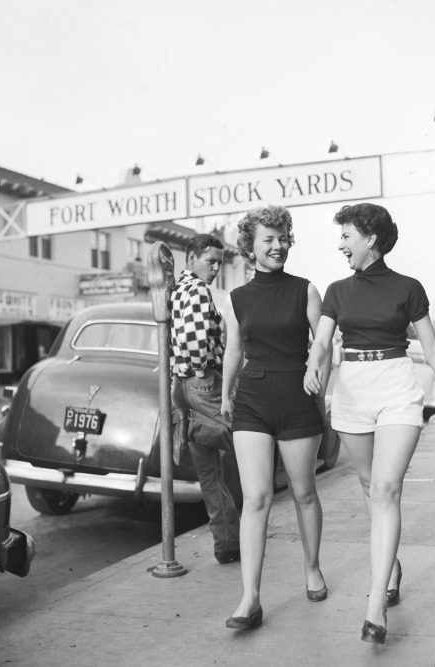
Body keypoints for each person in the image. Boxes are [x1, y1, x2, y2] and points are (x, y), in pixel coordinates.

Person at [304, 202, 435, 644]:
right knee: (368, 486)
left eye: (346, 235)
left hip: (397, 387)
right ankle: (391, 564)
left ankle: (375, 602)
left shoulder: (409, 288)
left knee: (385, 488)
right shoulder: (337, 290)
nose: (341, 243)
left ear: (370, 238)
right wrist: (313, 365)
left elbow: (432, 348)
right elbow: (321, 342)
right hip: (354, 390)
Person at [221, 205, 330, 631]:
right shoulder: (236, 298)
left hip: (297, 397)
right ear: (251, 246)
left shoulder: (306, 290)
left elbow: (323, 343)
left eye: (282, 237)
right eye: (268, 239)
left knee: (304, 493)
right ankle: (250, 597)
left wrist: (319, 374)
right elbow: (234, 350)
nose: (278, 245)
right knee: (257, 498)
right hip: (251, 399)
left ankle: (312, 567)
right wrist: (226, 394)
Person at [170, 234, 240, 565]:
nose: (214, 268)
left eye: (218, 263)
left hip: (183, 386)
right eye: (209, 261)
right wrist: (204, 372)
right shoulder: (197, 289)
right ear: (192, 259)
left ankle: (227, 544)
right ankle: (236, 538)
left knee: (210, 474)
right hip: (201, 382)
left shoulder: (178, 289)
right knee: (247, 437)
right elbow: (196, 342)